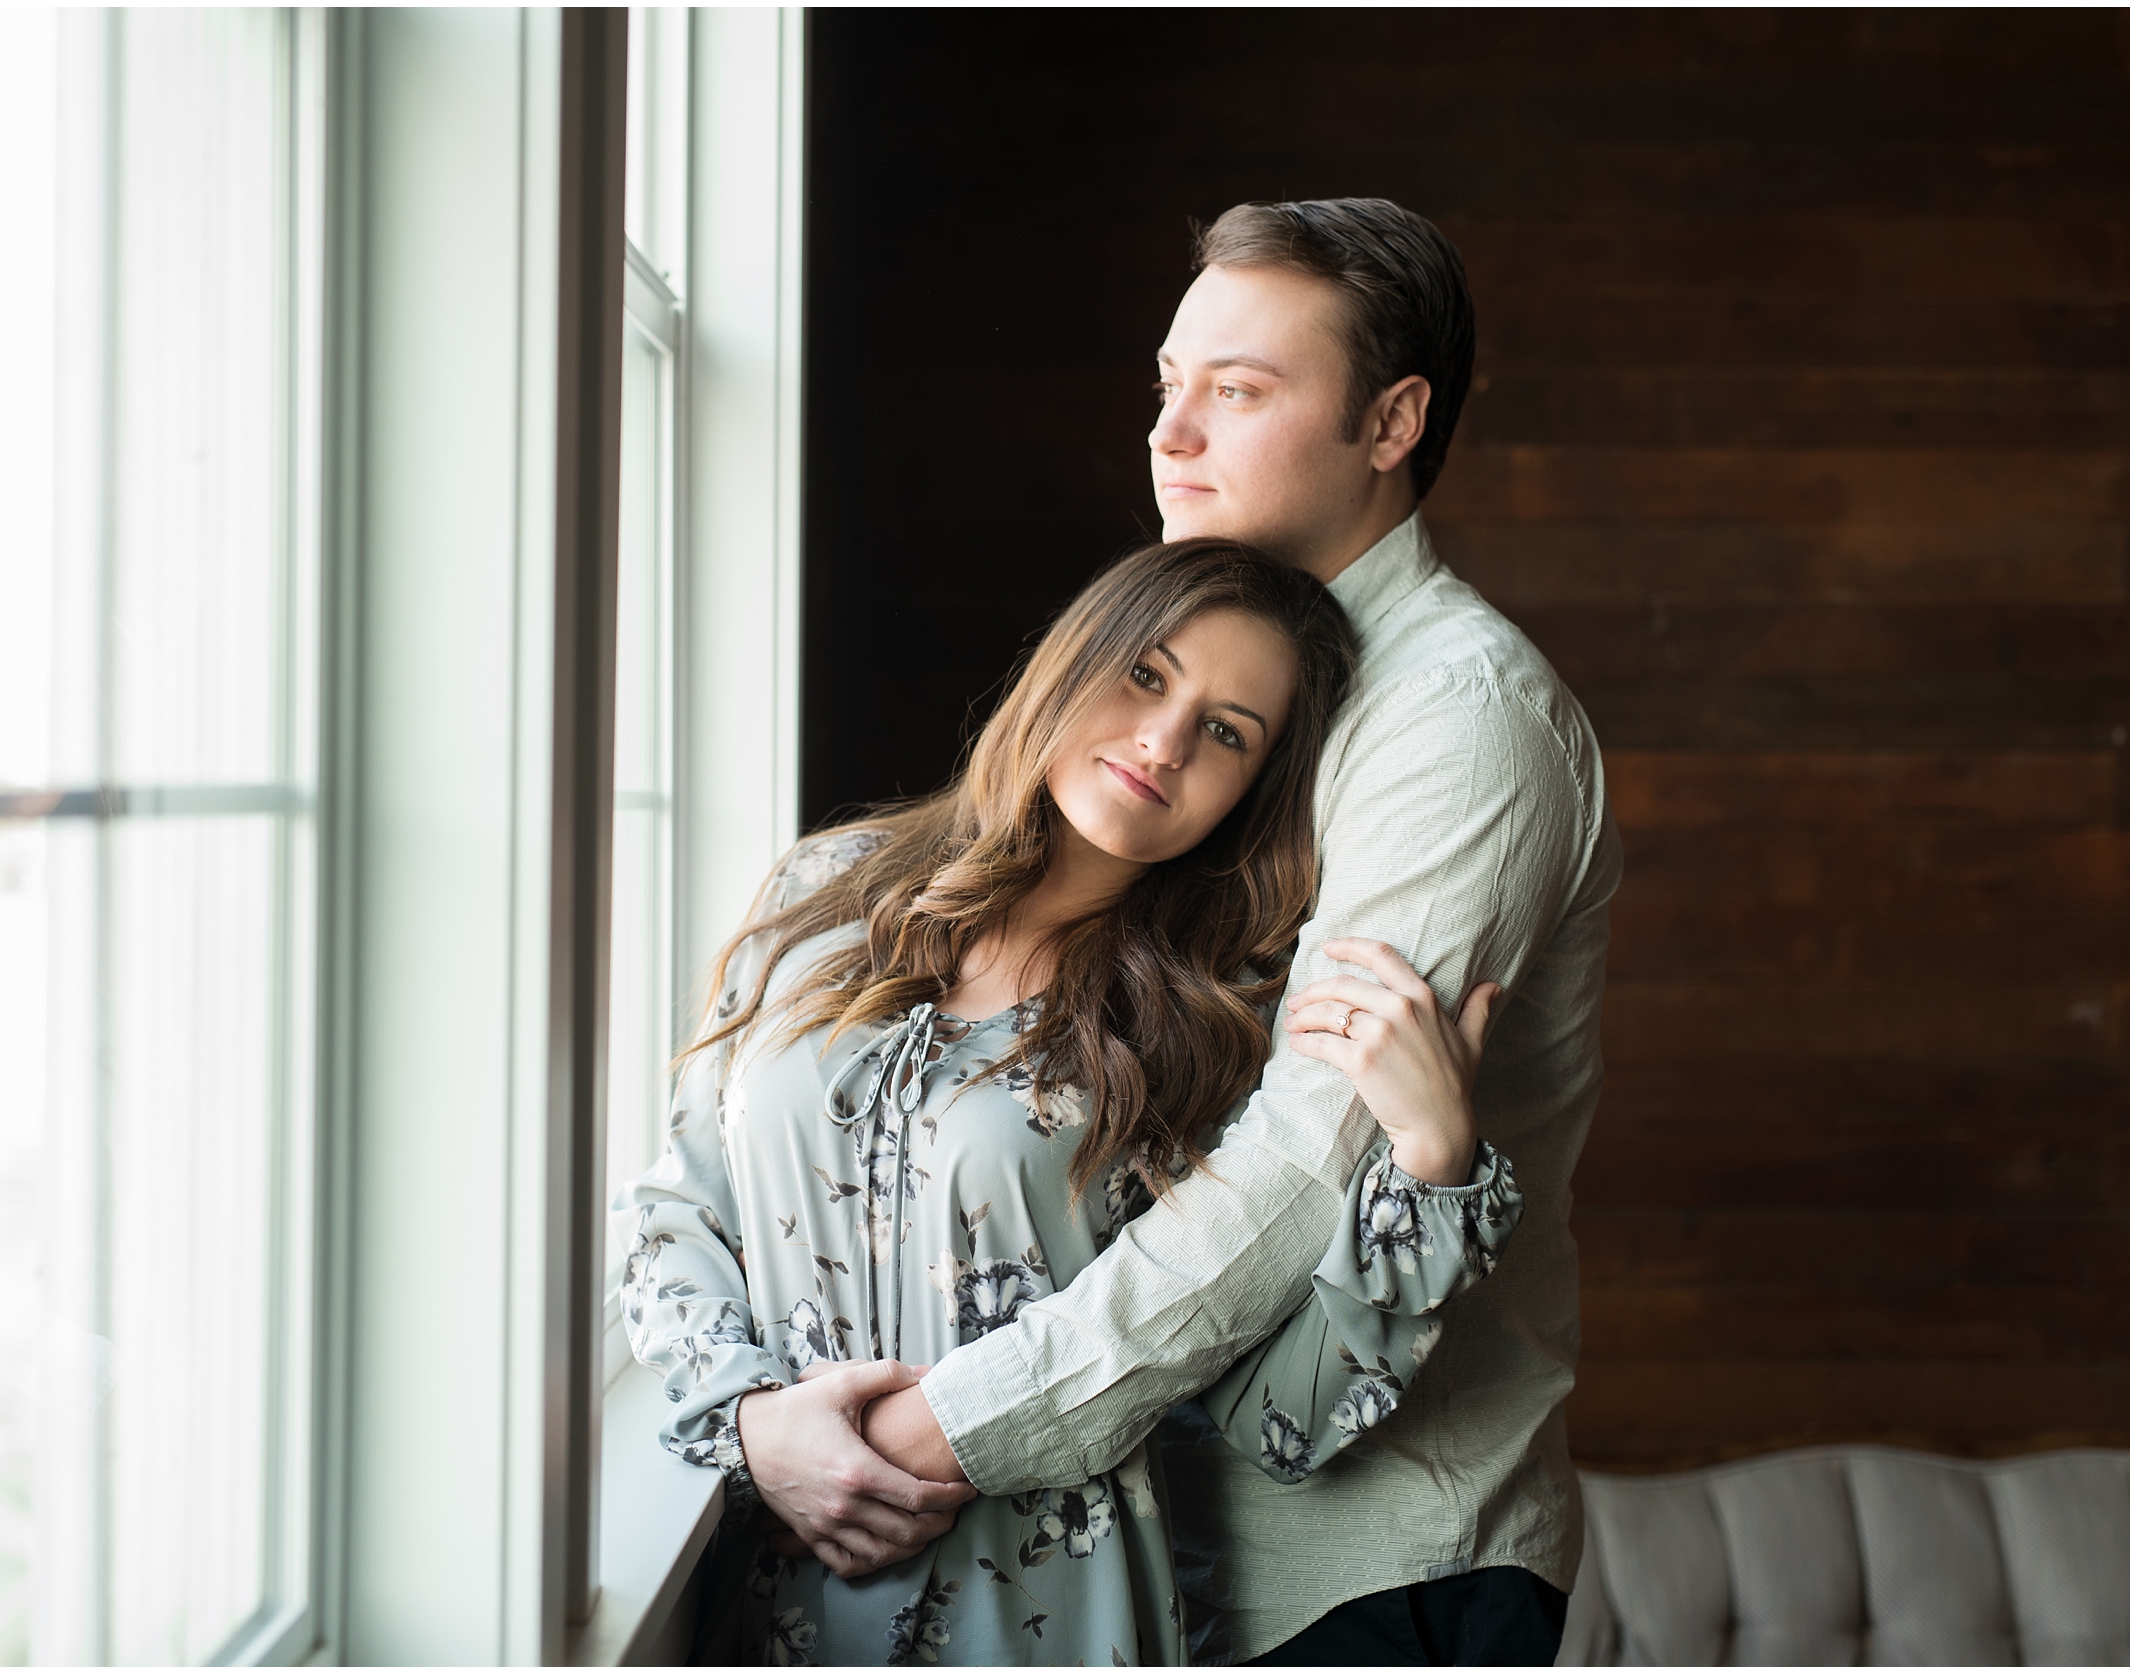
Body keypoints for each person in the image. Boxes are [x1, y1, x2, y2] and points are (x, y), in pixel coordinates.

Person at [758, 199, 1623, 1666]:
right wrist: (765, 1409)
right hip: (1134, 1553)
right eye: (1170, 385)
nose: (1172, 433)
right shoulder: (1208, 686)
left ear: (1391, 420)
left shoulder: (1456, 723)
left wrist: (937, 1431)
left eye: (1241, 388)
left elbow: (1303, 1168)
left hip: (1359, 1574)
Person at [623, 538, 1530, 1665]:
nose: (1163, 742)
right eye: (1147, 675)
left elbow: (1281, 1421)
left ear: (1251, 793)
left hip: (1041, 1620)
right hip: (764, 1602)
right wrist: (753, 1425)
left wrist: (1431, 1163)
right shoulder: (824, 891)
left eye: (1227, 731)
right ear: (1072, 658)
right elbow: (672, 1217)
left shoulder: (1210, 1032)